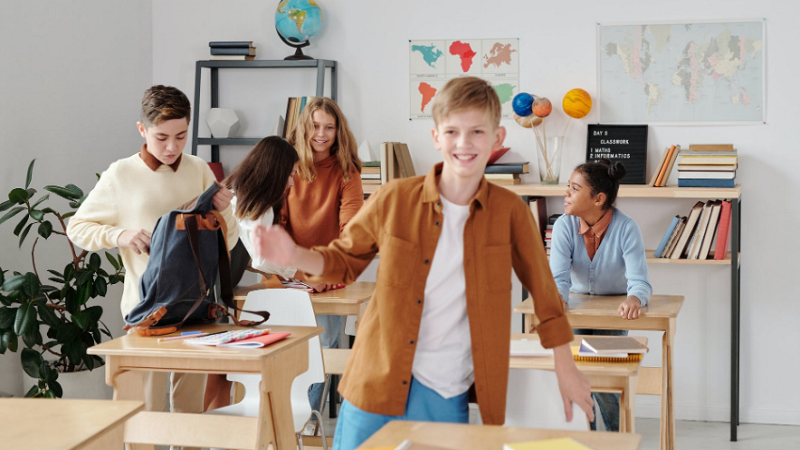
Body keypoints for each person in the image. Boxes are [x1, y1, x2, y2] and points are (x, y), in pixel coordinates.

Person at [251, 77, 594, 450]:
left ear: (496, 138)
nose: (464, 144)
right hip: (375, 380)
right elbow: (343, 260)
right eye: (452, 132)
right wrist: (293, 255)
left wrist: (566, 366)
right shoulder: (395, 198)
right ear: (436, 137)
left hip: (446, 391)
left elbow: (546, 296)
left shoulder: (511, 213)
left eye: (477, 131)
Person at [66, 85, 239, 450]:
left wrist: (224, 210)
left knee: (190, 414)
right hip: (145, 312)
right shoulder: (120, 174)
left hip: (194, 310)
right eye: (162, 137)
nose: (172, 147)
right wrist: (121, 235)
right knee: (142, 413)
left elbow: (228, 242)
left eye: (180, 136)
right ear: (142, 130)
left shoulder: (198, 170)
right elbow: (77, 227)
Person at [549, 159, 652, 431]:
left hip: (613, 314)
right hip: (577, 307)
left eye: (574, 188)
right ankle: (588, 439)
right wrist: (557, 300)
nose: (566, 193)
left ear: (598, 199)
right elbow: (558, 280)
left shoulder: (627, 228)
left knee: (607, 383)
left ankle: (617, 440)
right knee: (577, 377)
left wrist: (634, 299)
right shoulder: (563, 226)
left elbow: (640, 282)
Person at [202, 136, 301, 411]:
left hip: (203, 292)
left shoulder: (232, 192)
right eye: (290, 175)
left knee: (213, 379)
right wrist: (298, 271)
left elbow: (244, 252)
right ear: (275, 171)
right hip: (215, 299)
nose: (291, 183)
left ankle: (207, 440)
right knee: (220, 378)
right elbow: (261, 256)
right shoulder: (258, 204)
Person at [283, 97, 363, 429]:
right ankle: (282, 418)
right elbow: (277, 224)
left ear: (338, 131)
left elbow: (352, 229)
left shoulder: (347, 171)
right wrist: (299, 271)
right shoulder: (287, 168)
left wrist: (327, 271)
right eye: (315, 126)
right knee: (286, 348)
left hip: (331, 276)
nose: (322, 134)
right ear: (304, 128)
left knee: (323, 349)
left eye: (329, 128)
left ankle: (306, 422)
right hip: (288, 274)